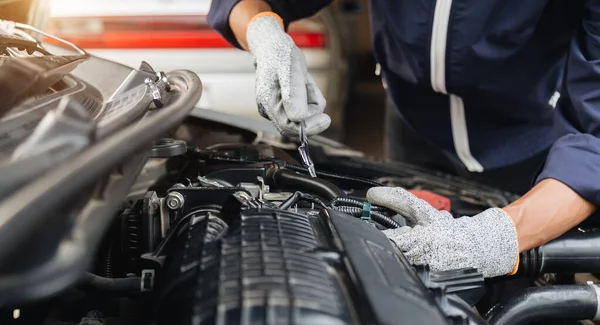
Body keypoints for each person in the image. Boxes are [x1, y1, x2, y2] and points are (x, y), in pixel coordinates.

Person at [208, 0, 599, 278]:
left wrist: (499, 236)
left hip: (542, 150)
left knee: (528, 306)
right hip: (414, 127)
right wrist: (264, 33)